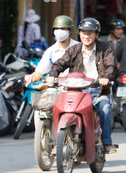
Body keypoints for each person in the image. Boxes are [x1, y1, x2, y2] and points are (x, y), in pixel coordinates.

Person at [48, 17, 117, 154]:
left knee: (105, 108)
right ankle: (58, 142)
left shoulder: (105, 49)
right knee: (58, 108)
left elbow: (111, 67)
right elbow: (60, 63)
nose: (87, 36)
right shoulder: (73, 50)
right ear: (79, 34)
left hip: (99, 91)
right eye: (84, 33)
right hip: (76, 91)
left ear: (96, 35)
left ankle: (107, 142)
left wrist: (105, 78)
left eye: (90, 33)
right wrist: (52, 75)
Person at [25, 15, 79, 85]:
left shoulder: (79, 47)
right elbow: (39, 71)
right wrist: (31, 76)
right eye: (56, 29)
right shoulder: (50, 51)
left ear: (70, 31)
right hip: (57, 89)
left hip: (78, 88)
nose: (59, 31)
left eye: (63, 29)